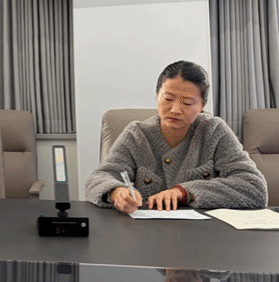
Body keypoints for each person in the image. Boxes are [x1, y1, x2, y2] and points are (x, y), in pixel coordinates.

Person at [85, 60, 268, 214]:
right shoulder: (137, 134)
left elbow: (254, 187)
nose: (175, 110)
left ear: (202, 106)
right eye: (168, 99)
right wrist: (116, 192)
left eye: (187, 103)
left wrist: (185, 192)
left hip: (205, 235)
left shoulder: (213, 131)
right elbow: (98, 178)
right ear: (157, 96)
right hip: (147, 234)